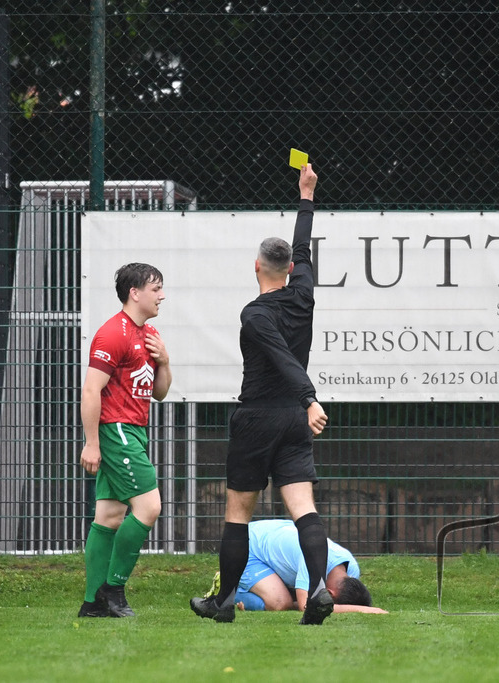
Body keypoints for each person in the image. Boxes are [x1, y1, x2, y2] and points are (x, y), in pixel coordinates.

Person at [191, 163, 333, 625]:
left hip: (259, 418)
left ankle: (225, 600)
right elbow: (305, 245)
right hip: (292, 420)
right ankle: (316, 593)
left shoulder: (254, 315)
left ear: (257, 267)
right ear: (291, 270)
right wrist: (306, 195)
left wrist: (310, 396)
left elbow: (281, 358)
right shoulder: (304, 294)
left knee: (238, 514)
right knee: (303, 509)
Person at [77, 263, 172, 618]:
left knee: (110, 515)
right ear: (135, 293)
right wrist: (92, 443)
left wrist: (164, 360)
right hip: (116, 431)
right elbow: (91, 390)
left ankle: (91, 604)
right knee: (149, 508)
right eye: (156, 288)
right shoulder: (112, 333)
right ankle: (112, 591)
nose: (162, 295)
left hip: (133, 431)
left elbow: (159, 393)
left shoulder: (148, 334)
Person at [214, 519, 387, 615]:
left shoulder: (352, 570)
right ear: (331, 593)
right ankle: (228, 586)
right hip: (247, 547)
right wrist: (365, 610)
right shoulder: (312, 559)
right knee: (280, 603)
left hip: (272, 533)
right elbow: (306, 606)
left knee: (289, 599)